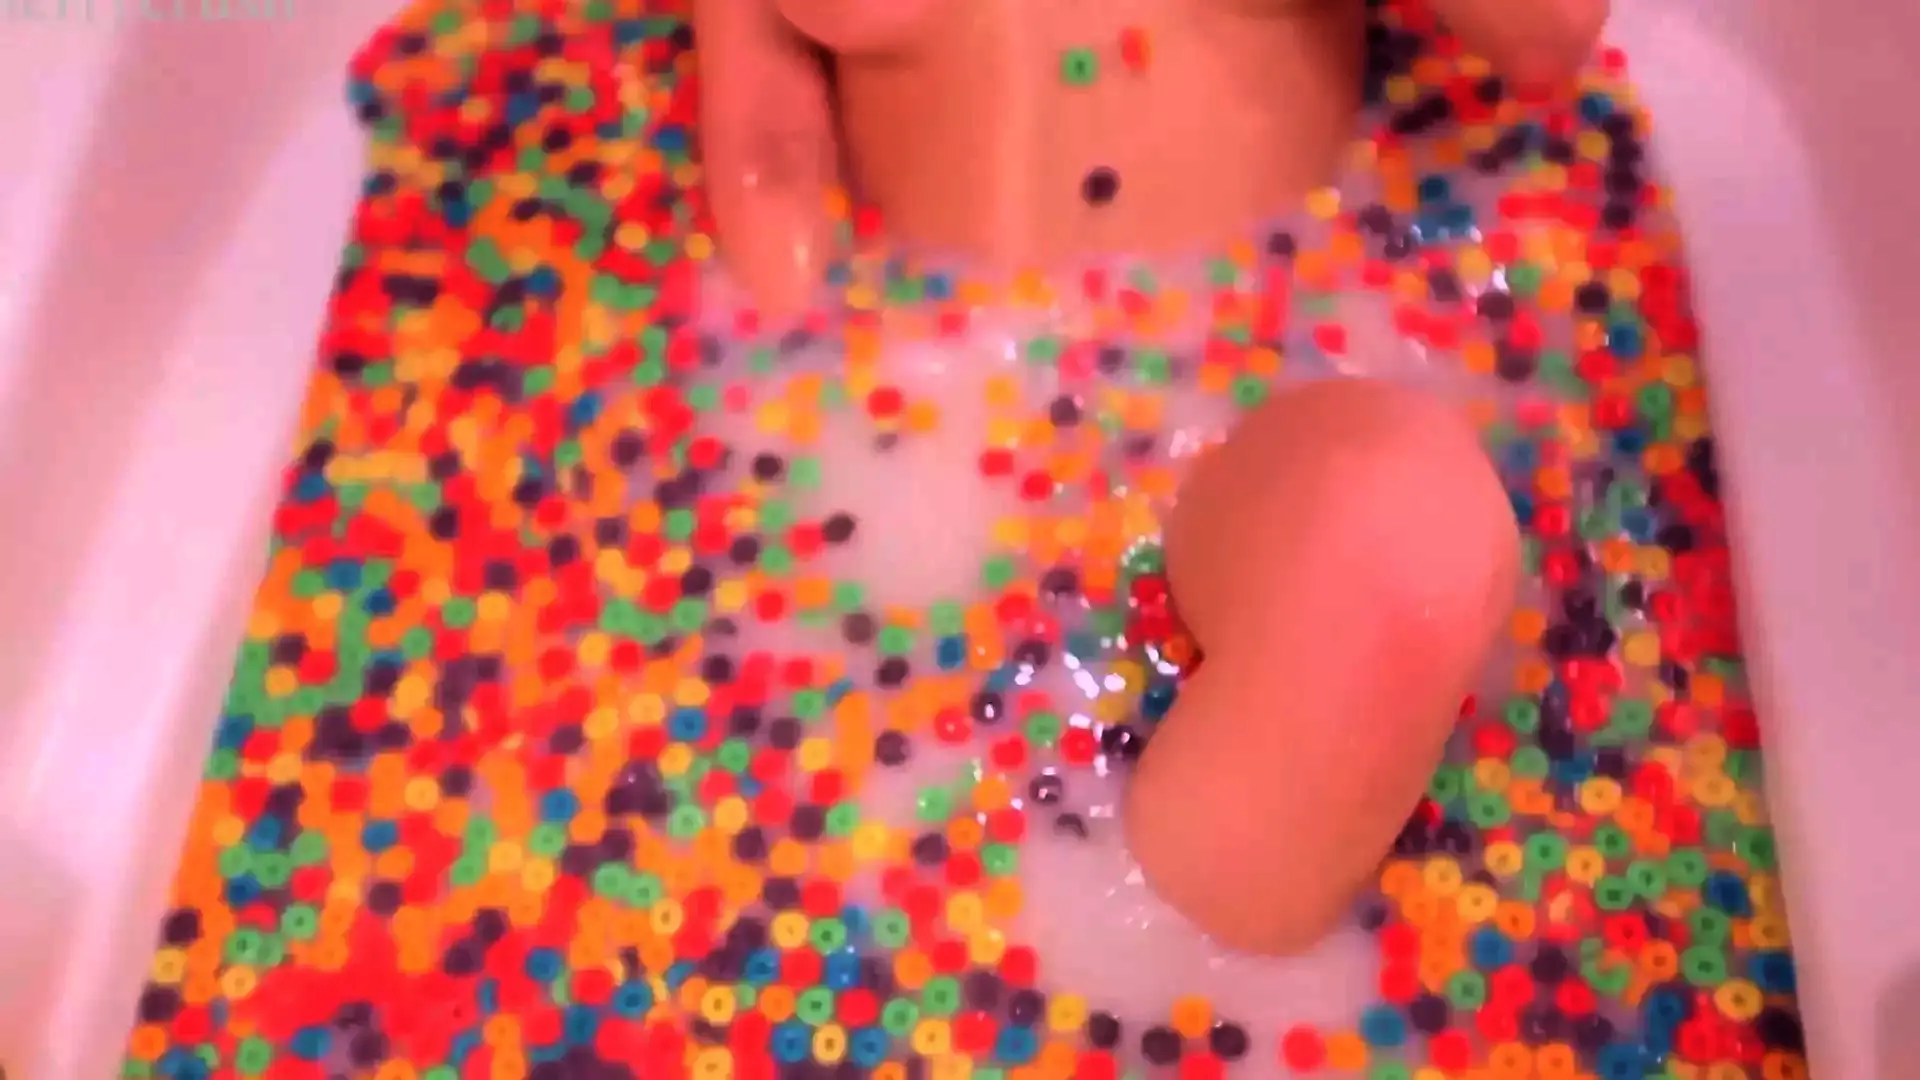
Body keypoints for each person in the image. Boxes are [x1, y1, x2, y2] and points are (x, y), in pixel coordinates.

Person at [693, 0, 1603, 953]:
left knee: (1393, 528)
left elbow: (1550, 28)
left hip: (1266, 374)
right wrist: (790, 393)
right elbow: (768, 145)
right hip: (903, 436)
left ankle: (1182, 956)